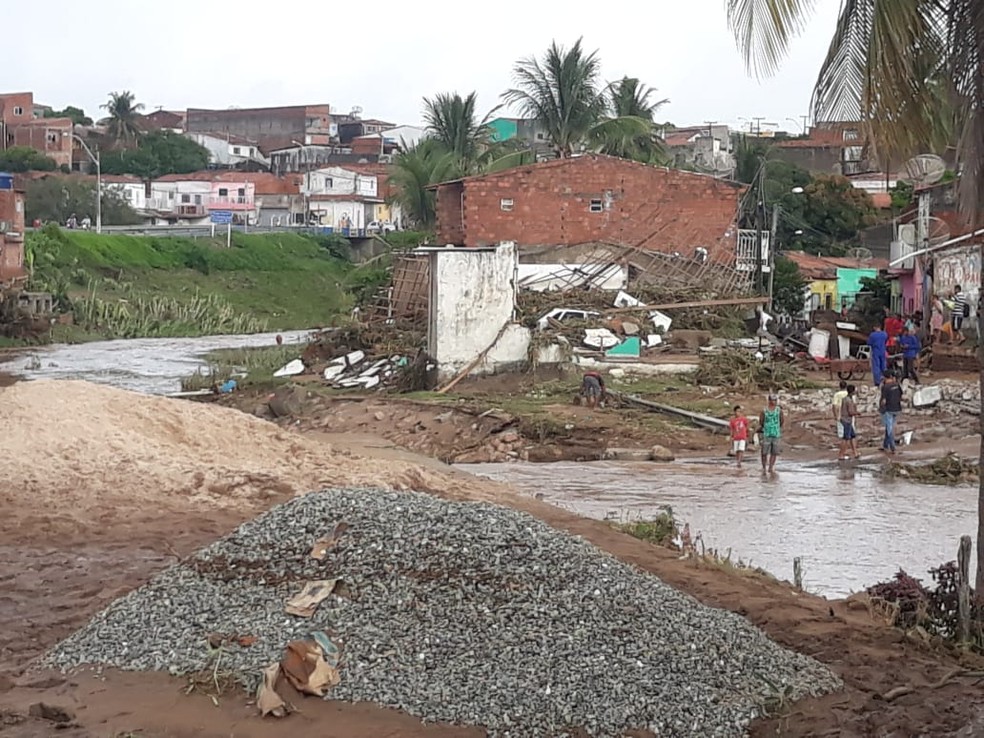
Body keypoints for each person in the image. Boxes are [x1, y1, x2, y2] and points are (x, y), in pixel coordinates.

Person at [758, 394, 784, 474]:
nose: (774, 402)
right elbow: (761, 421)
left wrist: (776, 427)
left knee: (774, 452)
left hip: (776, 433)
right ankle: (763, 467)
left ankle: (771, 467)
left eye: (775, 400)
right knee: (764, 452)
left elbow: (781, 420)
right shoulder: (764, 410)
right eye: (772, 400)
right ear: (769, 401)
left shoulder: (779, 410)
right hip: (766, 433)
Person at [879, 372, 903, 455]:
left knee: (889, 429)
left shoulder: (885, 387)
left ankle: (893, 447)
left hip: (888, 409)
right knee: (889, 426)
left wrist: (881, 408)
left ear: (884, 377)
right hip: (897, 408)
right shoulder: (897, 385)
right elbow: (901, 394)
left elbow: (883, 400)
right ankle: (885, 445)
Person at [839, 384, 861, 461]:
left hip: (845, 419)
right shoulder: (849, 400)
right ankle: (841, 455)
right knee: (846, 438)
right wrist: (857, 413)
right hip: (847, 420)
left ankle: (855, 452)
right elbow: (850, 412)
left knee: (852, 436)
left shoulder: (845, 398)